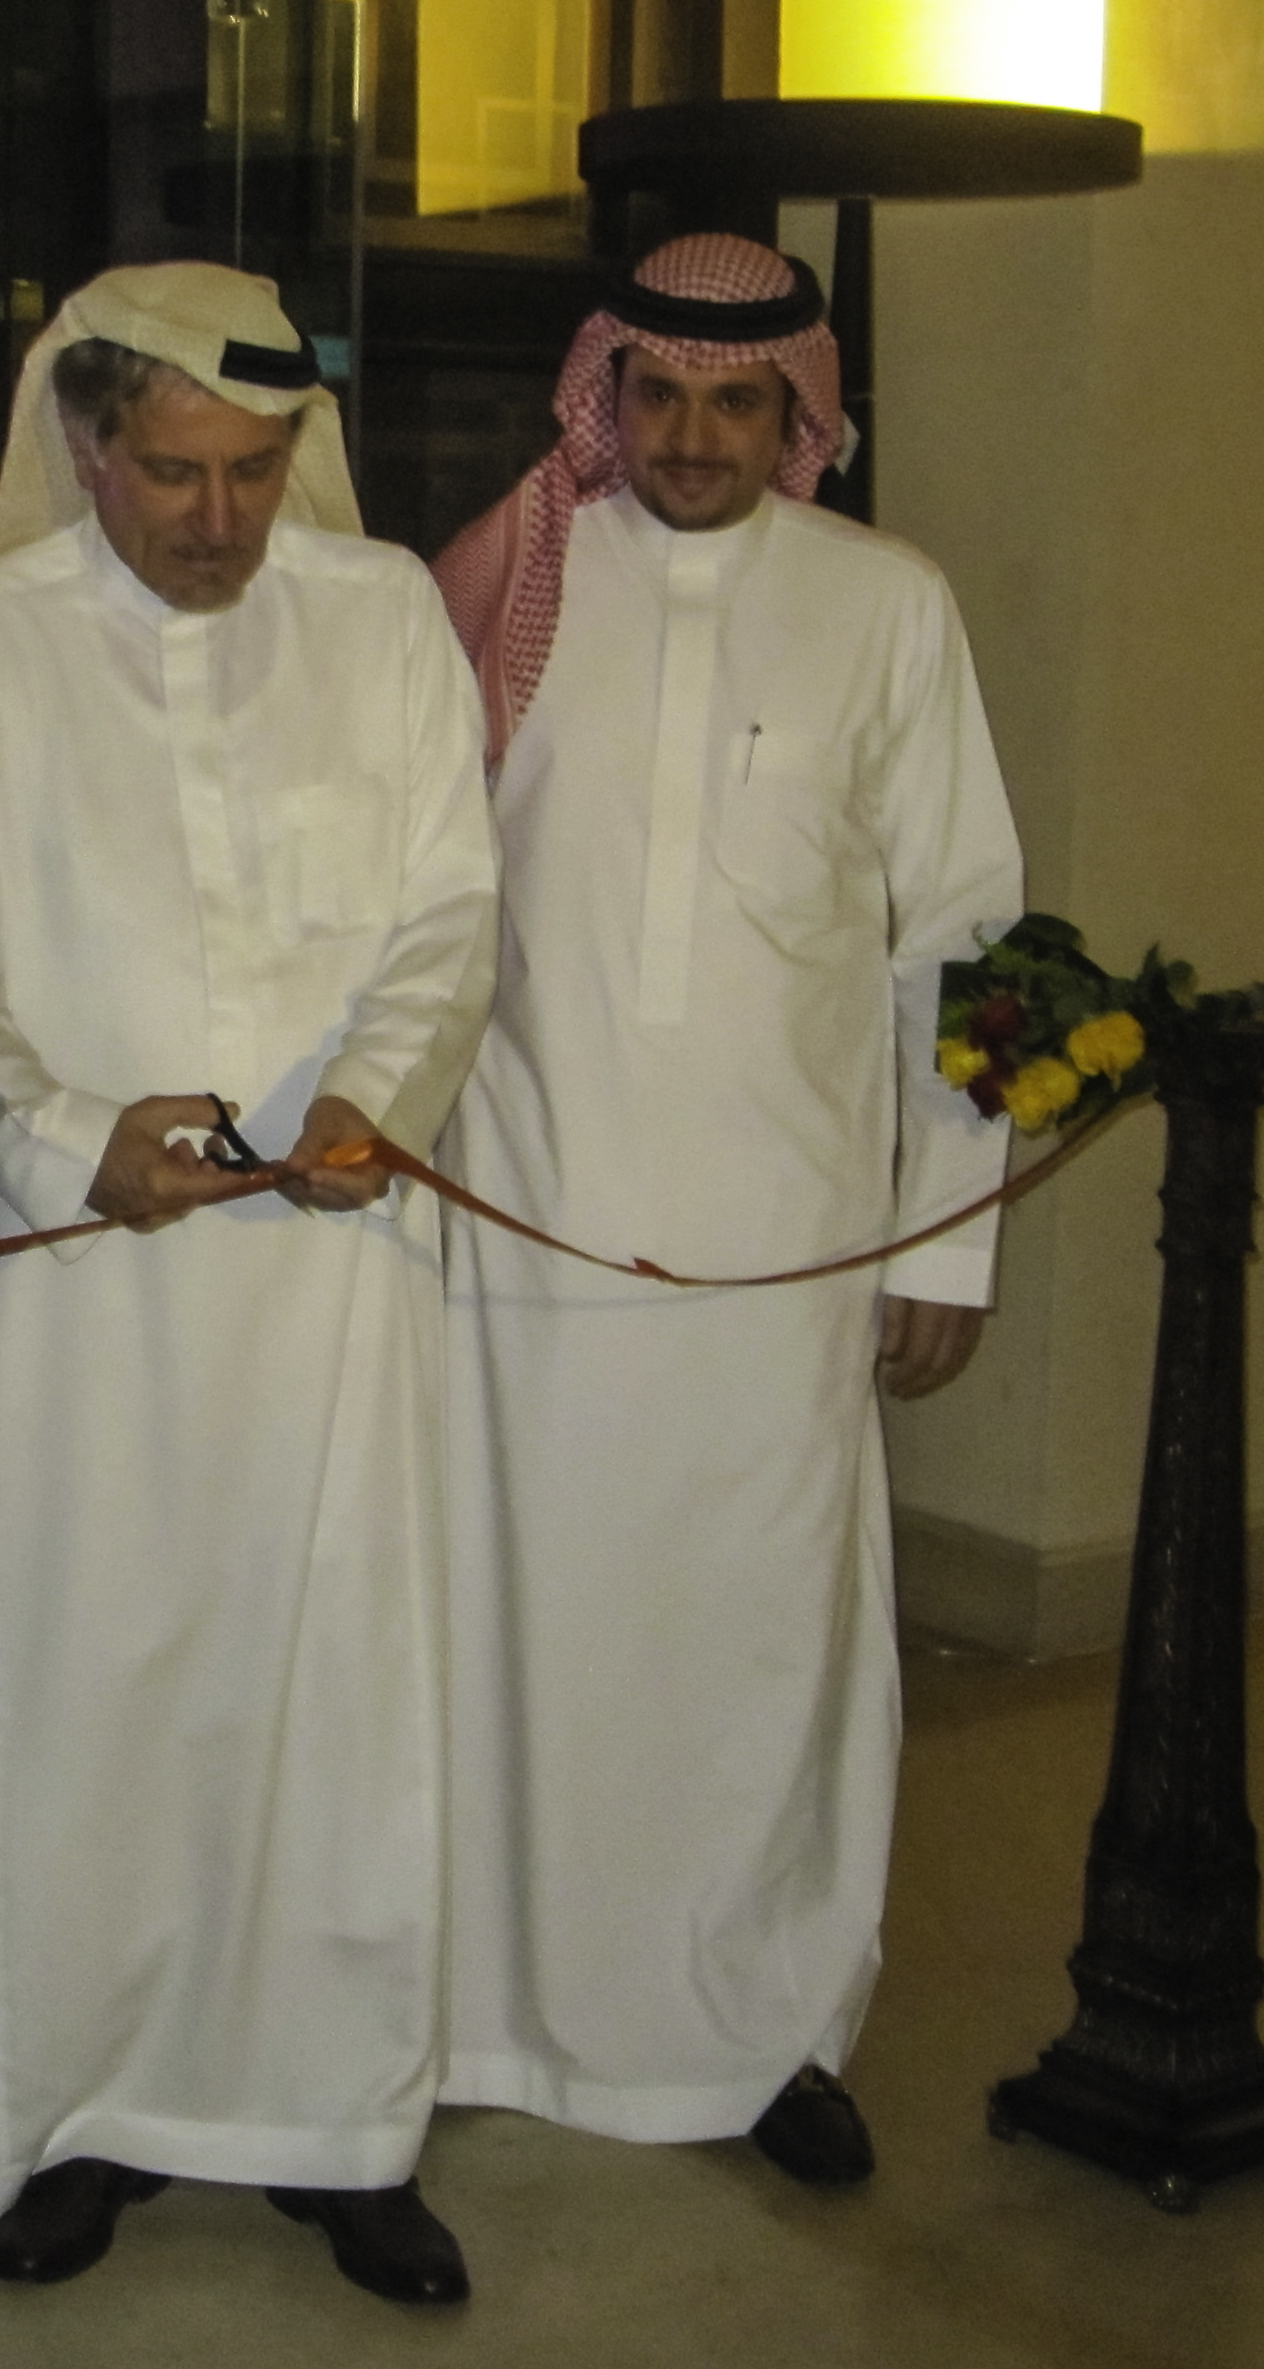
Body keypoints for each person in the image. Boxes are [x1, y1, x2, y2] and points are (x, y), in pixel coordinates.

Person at [0, 264, 499, 2307]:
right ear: (85, 443)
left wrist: (380, 1100)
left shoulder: (383, 617)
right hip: (72, 1285)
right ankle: (67, 2111)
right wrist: (70, 1139)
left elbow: (449, 910)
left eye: (253, 470)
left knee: (327, 1695)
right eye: (171, 475)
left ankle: (337, 2124)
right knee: (75, 1696)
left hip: (327, 1278)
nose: (219, 520)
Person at [428, 233, 1025, 2183]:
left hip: (790, 1251)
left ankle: (766, 2038)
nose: (692, 437)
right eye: (660, 396)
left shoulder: (887, 606)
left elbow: (968, 939)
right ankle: (488, 2013)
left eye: (737, 403)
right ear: (605, 395)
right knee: (522, 1632)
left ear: (799, 417)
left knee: (767, 1651)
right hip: (525, 1231)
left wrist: (947, 1232)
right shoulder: (510, 579)